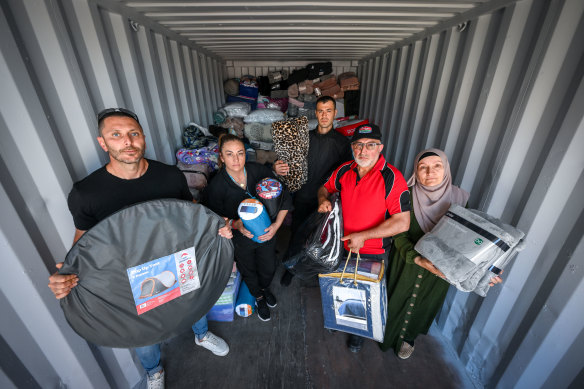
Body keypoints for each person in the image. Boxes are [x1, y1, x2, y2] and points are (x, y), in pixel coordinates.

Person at [47, 108, 231, 389]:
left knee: (194, 302)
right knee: (142, 331)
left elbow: (192, 215)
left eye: (133, 133)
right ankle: (153, 370)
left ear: (143, 137)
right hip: (131, 276)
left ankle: (202, 334)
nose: (127, 142)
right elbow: (84, 242)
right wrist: (69, 276)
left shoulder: (170, 176)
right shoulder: (87, 193)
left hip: (177, 260)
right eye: (116, 135)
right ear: (103, 142)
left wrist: (216, 229)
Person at [378, 148, 502, 359]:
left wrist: (481, 272)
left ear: (446, 169)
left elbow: (468, 240)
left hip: (439, 270)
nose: (430, 172)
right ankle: (386, 334)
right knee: (396, 298)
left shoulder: (460, 199)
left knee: (425, 302)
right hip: (406, 261)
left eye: (437, 166)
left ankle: (408, 337)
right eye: (423, 167)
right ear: (415, 172)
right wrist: (416, 257)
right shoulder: (404, 194)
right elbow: (397, 234)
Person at [317, 123, 411, 353]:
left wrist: (363, 236)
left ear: (380, 147)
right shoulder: (344, 170)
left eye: (370, 145)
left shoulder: (392, 177)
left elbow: (402, 222)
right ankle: (339, 321)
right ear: (352, 147)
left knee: (363, 297)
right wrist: (322, 200)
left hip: (372, 252)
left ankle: (357, 335)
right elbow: (324, 188)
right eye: (358, 145)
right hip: (340, 245)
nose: (363, 151)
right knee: (340, 288)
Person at [204, 134, 293, 321]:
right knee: (249, 269)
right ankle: (259, 297)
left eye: (240, 153)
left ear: (246, 154)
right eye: (229, 154)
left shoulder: (258, 171)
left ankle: (264, 288)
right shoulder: (217, 186)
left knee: (268, 267)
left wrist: (276, 226)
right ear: (221, 157)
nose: (236, 159)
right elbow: (216, 219)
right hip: (241, 239)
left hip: (267, 233)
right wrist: (235, 224)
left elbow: (284, 198)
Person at [274, 95, 351, 286]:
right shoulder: (304, 138)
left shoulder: (342, 143)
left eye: (329, 111)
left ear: (335, 113)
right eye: (321, 111)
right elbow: (289, 164)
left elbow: (345, 174)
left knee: (322, 236)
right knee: (298, 233)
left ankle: (316, 269)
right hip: (303, 195)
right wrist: (279, 167)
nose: (324, 115)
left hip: (326, 199)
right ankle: (291, 269)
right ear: (315, 113)